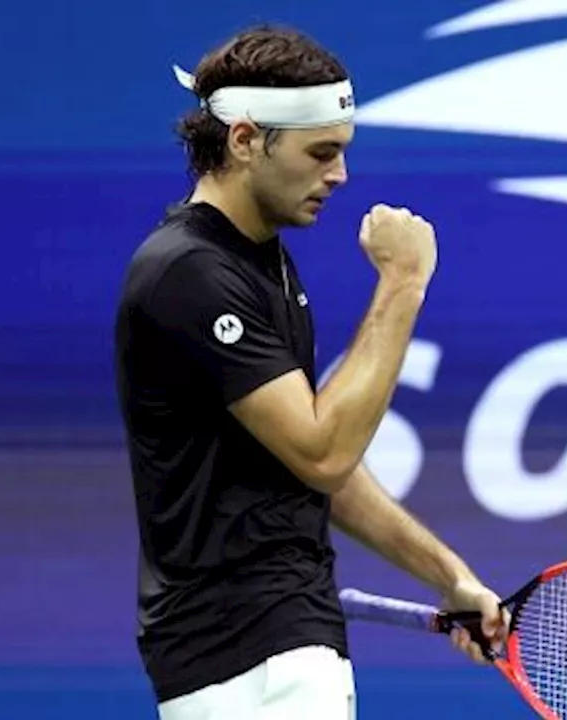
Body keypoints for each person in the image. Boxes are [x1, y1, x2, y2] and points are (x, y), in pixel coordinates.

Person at [113, 25, 507, 720]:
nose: (340, 175)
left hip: (274, 648)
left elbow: (309, 466)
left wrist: (450, 576)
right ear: (243, 140)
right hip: (246, 659)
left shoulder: (261, 261)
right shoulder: (191, 274)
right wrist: (403, 283)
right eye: (321, 153)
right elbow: (323, 452)